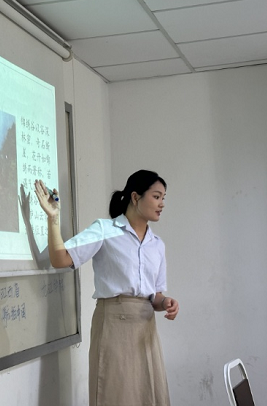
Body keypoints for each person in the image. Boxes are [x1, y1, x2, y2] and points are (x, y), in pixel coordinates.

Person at [34, 169, 179, 406]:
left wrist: (166, 303)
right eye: (156, 196)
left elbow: (156, 296)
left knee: (149, 395)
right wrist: (53, 218)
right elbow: (60, 259)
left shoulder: (157, 244)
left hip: (146, 330)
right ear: (135, 197)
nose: (162, 203)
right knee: (114, 394)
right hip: (113, 325)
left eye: (163, 198)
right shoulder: (105, 230)